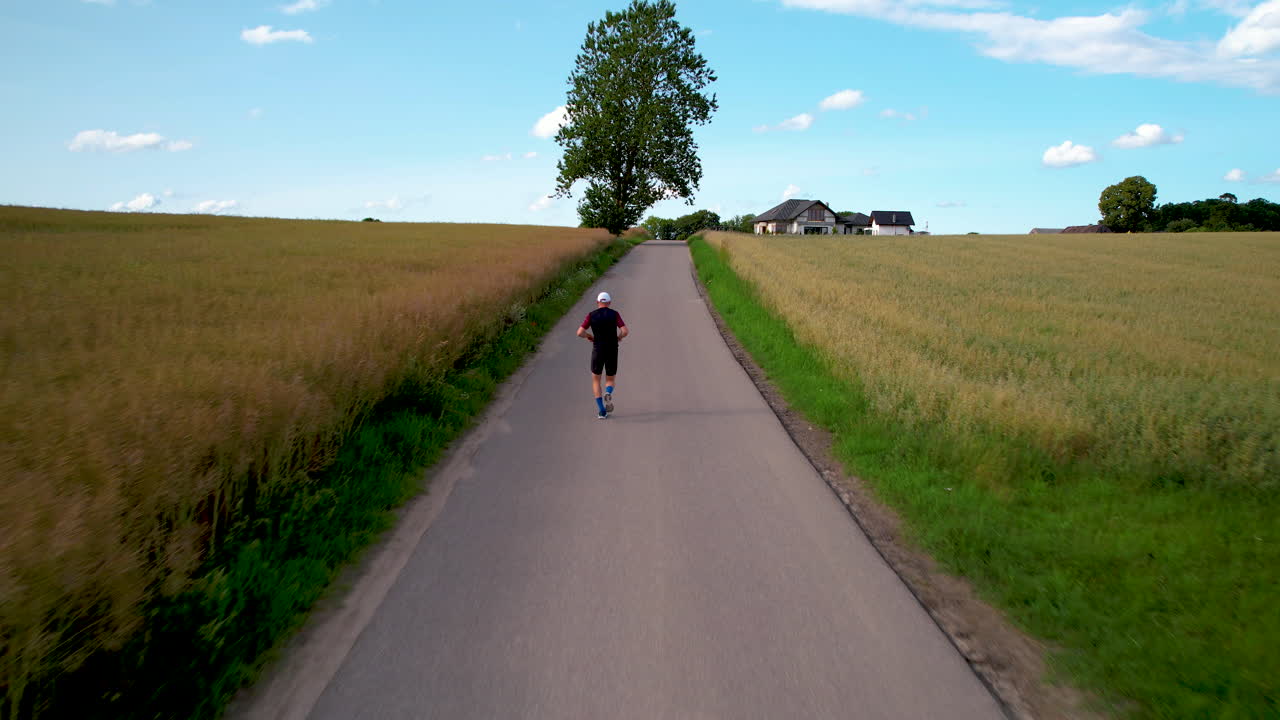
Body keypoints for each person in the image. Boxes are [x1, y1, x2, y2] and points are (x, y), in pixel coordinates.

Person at [577, 291, 628, 419]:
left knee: (596, 380)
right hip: (612, 349)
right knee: (610, 379)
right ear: (609, 303)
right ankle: (608, 392)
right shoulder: (614, 314)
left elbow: (580, 332)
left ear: (597, 302)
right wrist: (619, 337)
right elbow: (625, 331)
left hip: (598, 350)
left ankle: (602, 411)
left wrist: (589, 336)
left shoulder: (591, 315)